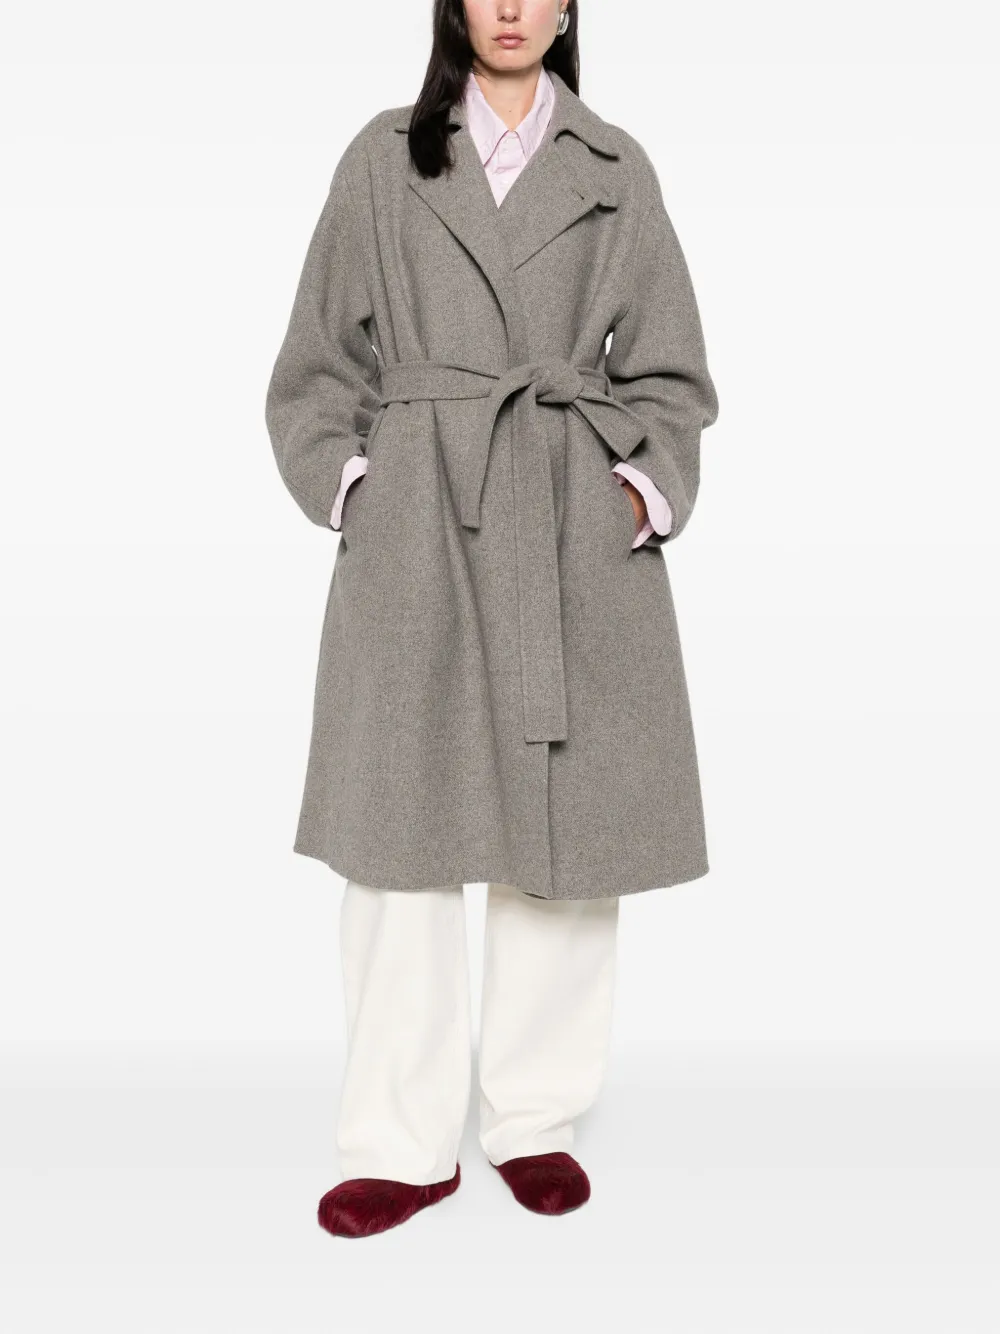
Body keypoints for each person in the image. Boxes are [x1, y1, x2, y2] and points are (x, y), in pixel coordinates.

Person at [264, 0, 719, 1239]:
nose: (510, 7)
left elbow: (671, 374)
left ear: (569, 5)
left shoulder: (616, 167)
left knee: (566, 825)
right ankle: (398, 1140)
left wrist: (637, 491)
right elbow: (314, 366)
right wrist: (355, 487)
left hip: (567, 522)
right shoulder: (382, 158)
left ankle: (533, 1117)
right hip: (420, 522)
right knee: (398, 833)